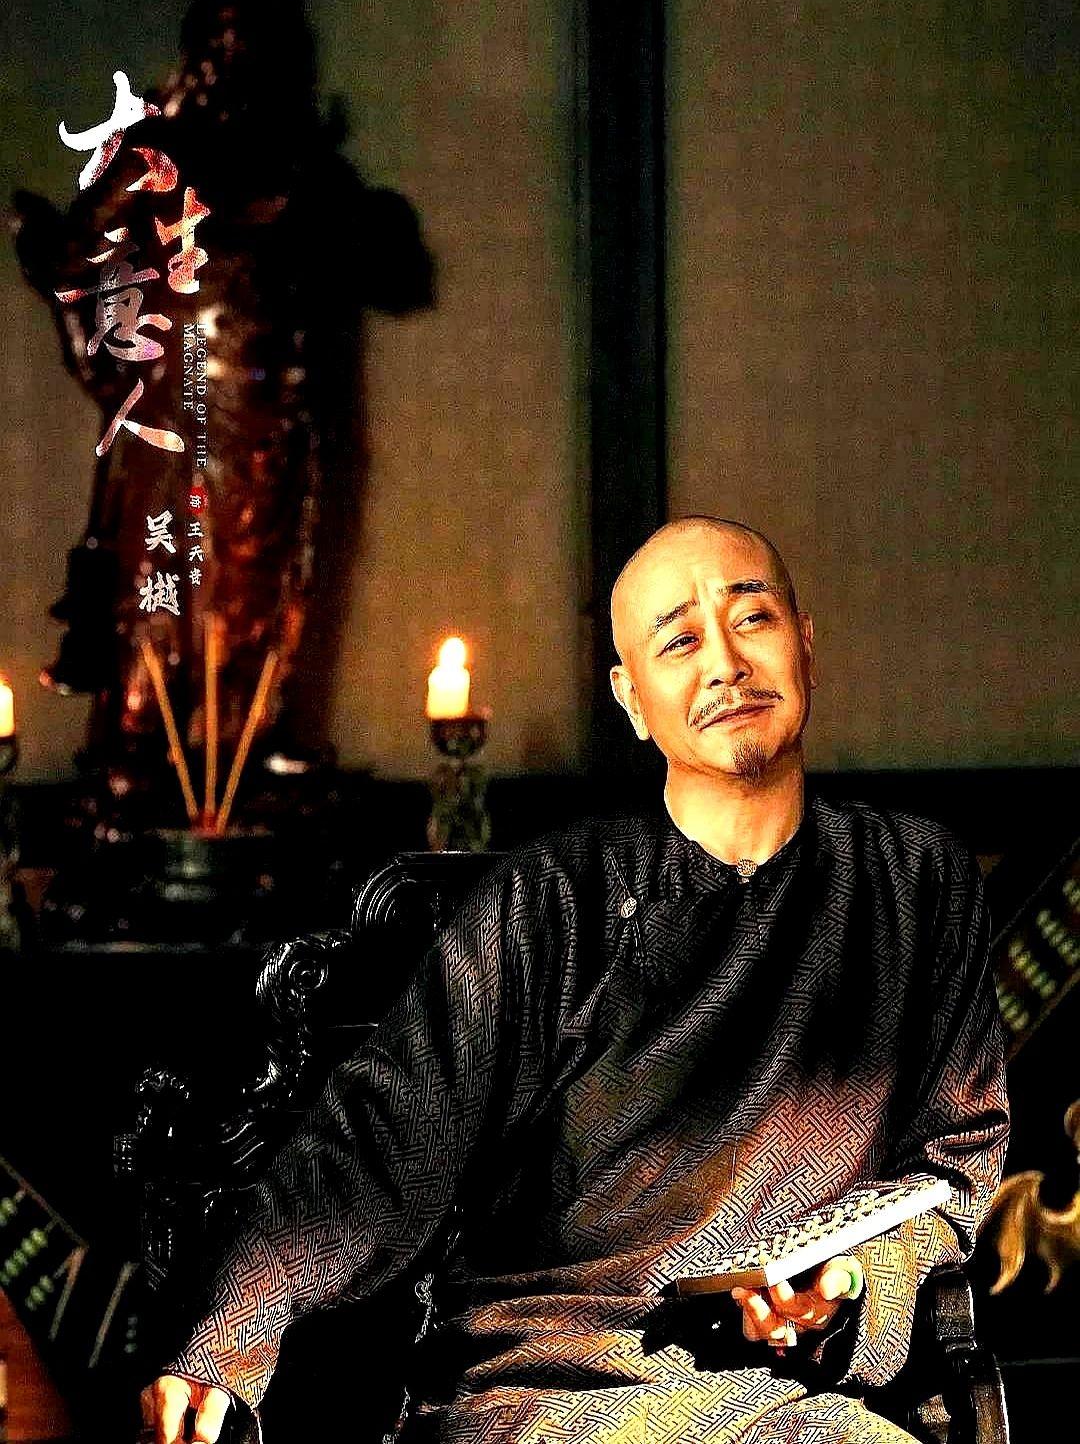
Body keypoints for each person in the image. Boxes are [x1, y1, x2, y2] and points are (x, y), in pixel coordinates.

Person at [143, 517, 1008, 1444]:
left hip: (793, 1396)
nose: (725, 664)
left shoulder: (916, 880)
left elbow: (954, 1162)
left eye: (752, 619)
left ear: (805, 643)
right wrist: (226, 1339)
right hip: (555, 1384)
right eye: (680, 641)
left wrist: (854, 1286)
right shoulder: (549, 901)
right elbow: (380, 1150)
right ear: (632, 700)